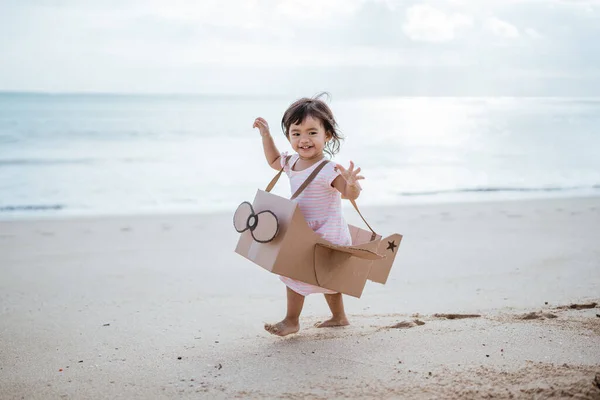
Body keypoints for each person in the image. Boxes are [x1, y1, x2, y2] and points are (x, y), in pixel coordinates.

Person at [253, 94, 364, 337]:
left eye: (312, 133)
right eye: (296, 133)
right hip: (305, 231)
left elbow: (348, 193)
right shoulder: (292, 162)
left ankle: (291, 321)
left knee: (294, 272)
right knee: (328, 277)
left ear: (328, 135)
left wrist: (353, 184)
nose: (304, 139)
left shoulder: (327, 169)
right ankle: (339, 317)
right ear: (290, 136)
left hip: (327, 233)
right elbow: (273, 160)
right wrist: (265, 136)